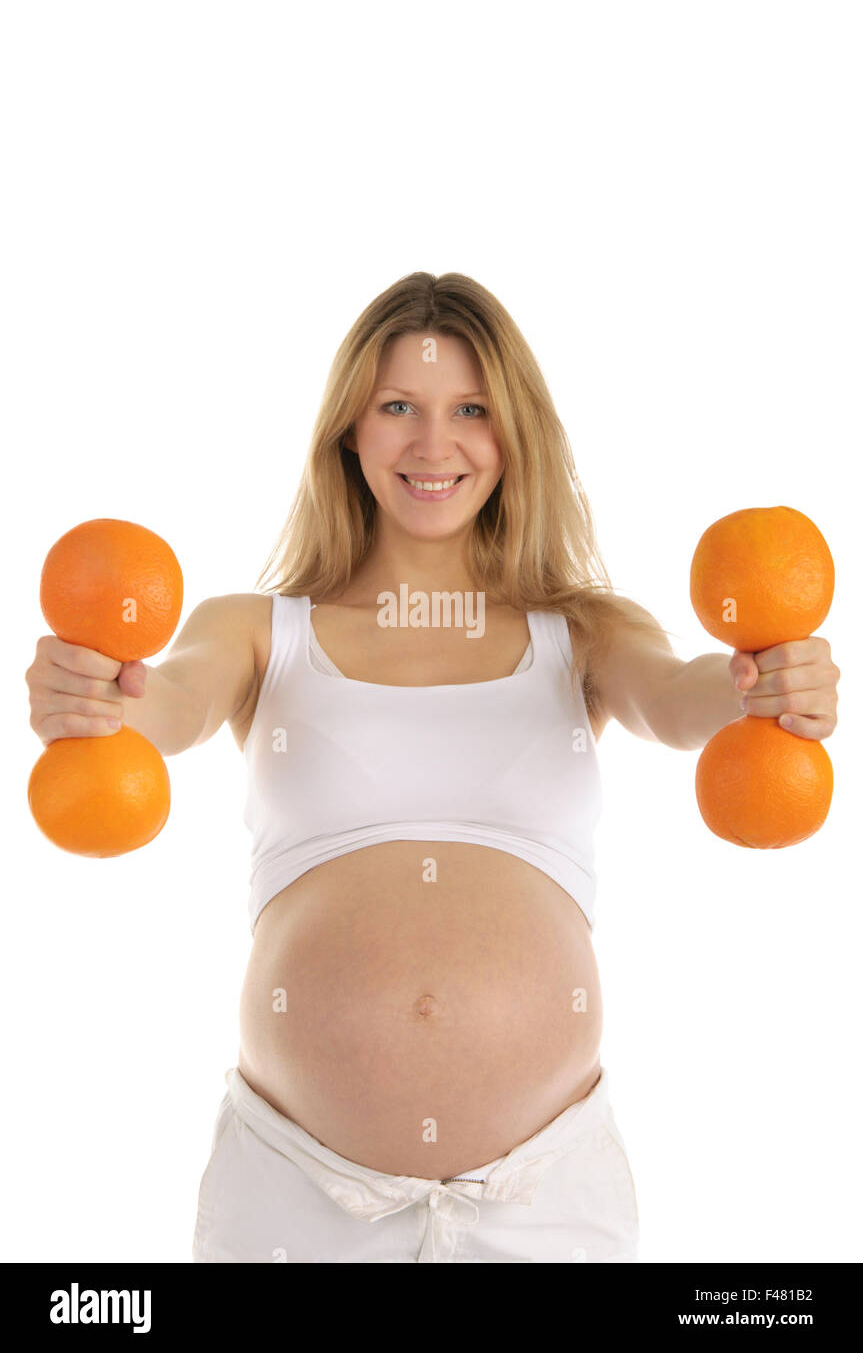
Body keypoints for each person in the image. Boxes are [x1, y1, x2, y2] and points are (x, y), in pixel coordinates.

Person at [26, 271, 840, 1263]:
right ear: (349, 432)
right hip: (296, 1195)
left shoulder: (580, 631)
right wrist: (96, 691)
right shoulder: (257, 632)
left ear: (511, 433)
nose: (431, 445)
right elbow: (166, 702)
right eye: (397, 408)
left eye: (469, 410)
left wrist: (764, 682)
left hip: (543, 1200)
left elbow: (679, 699)